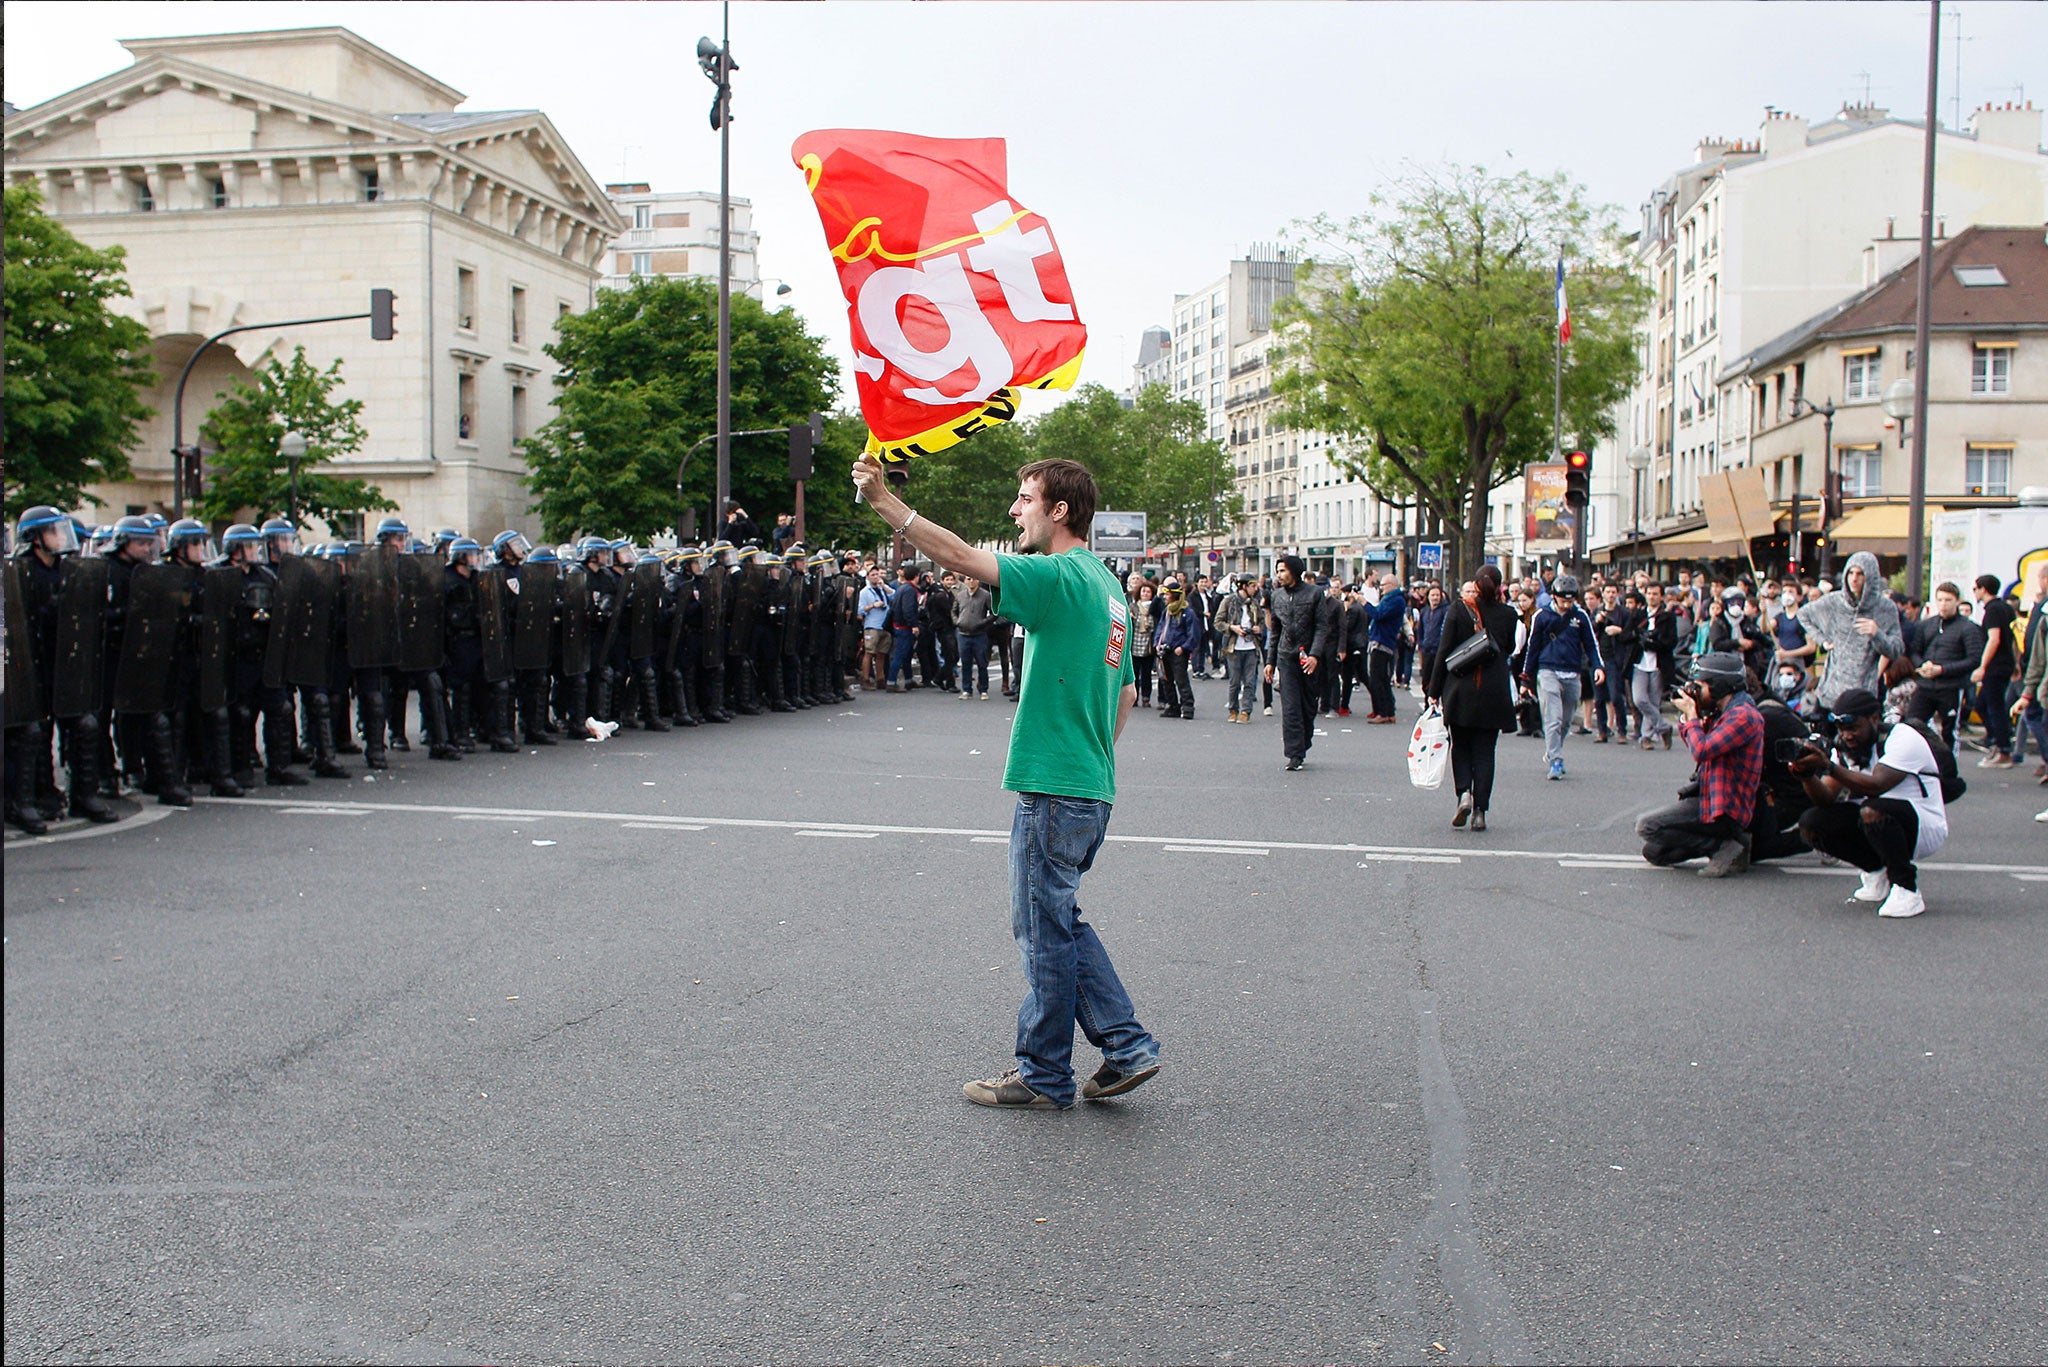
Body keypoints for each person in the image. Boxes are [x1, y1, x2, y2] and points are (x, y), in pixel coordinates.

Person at [850, 451, 1159, 1109]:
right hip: (1090, 783)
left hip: (1054, 785)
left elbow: (963, 558)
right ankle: (1125, 1043)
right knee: (1060, 919)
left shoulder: (1059, 575)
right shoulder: (1107, 585)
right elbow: (1125, 692)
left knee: (1042, 928)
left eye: (1024, 498)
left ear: (1059, 510)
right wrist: (1091, 752)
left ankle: (1046, 1071)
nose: (1014, 510)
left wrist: (885, 503)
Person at [1790, 686, 1949, 919]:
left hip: (1923, 825)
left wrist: (1829, 767)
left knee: (1872, 810)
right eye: (1842, 730)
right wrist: (1806, 775)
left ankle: (1907, 889)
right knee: (1812, 822)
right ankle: (1876, 870)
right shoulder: (1846, 748)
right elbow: (1825, 798)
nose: (1847, 736)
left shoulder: (1902, 737)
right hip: (1878, 822)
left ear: (1874, 719)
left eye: (1853, 728)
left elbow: (1877, 785)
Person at [1632, 653, 1766, 877]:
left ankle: (1723, 847)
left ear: (1720, 685)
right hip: (1708, 797)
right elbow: (1696, 741)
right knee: (1655, 852)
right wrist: (1688, 718)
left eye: (1699, 685)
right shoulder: (1721, 711)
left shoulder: (1743, 716)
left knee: (1647, 826)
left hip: (1725, 806)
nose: (1694, 691)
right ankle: (1726, 843)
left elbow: (1702, 750)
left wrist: (1692, 714)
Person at [1426, 565, 1518, 832]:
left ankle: (1463, 793)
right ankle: (1480, 811)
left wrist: (1433, 690)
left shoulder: (1458, 609)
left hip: (1461, 689)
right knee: (1486, 752)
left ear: (1475, 585)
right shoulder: (1509, 614)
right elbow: (1509, 648)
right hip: (1493, 691)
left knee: (1461, 746)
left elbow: (1444, 650)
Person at [1520, 573, 1604, 779]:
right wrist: (1526, 677)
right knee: (1553, 718)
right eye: (1563, 600)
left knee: (1566, 721)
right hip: (1548, 670)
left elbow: (1591, 645)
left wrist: (1598, 667)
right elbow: (1533, 647)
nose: (1567, 604)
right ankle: (1556, 760)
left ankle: (1552, 749)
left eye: (1570, 600)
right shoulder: (1542, 616)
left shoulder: (1580, 616)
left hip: (1572, 671)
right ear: (1554, 597)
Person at [1795, 550, 1903, 710]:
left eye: (1860, 574)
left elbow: (1896, 650)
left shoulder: (1885, 608)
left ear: (1871, 577)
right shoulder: (1835, 601)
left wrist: (1877, 634)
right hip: (1831, 691)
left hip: (1863, 694)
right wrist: (1822, 641)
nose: (1854, 578)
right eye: (1851, 572)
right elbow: (1803, 614)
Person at [1266, 555, 1332, 771]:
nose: (1279, 575)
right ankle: (1294, 754)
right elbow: (1275, 631)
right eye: (1278, 571)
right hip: (1287, 656)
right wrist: (1270, 661)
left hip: (1309, 658)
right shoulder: (1276, 596)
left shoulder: (1314, 593)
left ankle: (1304, 741)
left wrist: (1314, 655)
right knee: (1291, 707)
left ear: (1294, 571)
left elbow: (1322, 627)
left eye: (1283, 570)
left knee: (1308, 706)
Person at [1904, 583, 1984, 751]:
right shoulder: (1926, 625)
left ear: (1957, 601)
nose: (1943, 604)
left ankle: (1949, 772)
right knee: (1910, 726)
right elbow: (1913, 651)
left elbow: (1973, 659)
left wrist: (1942, 670)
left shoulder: (1968, 628)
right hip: (1925, 685)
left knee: (1949, 731)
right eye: (1939, 600)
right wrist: (1922, 665)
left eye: (1948, 600)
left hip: (1951, 687)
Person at [1970, 573, 2019, 769]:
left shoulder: (1993, 611)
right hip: (2005, 664)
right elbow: (2013, 638)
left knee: (1994, 707)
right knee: (1983, 705)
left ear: (1983, 589)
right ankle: (1997, 741)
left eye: (1975, 589)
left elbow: (1994, 639)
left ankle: (2004, 748)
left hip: (1996, 666)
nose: (1975, 593)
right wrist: (2015, 663)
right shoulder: (2006, 607)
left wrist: (1982, 666)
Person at [1217, 574, 1264, 723]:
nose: (1255, 589)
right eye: (1252, 586)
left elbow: (1263, 622)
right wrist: (1232, 628)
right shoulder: (1229, 601)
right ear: (1243, 586)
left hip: (1251, 647)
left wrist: (1258, 628)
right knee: (1234, 682)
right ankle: (1233, 710)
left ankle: (1246, 711)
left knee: (1250, 682)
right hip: (1234, 647)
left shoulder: (1254, 604)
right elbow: (1218, 622)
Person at [1362, 573, 1407, 723]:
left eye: (1383, 585)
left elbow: (1379, 614)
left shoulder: (1396, 601)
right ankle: (1388, 711)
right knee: (1382, 678)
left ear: (1392, 586)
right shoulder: (1392, 599)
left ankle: (1382, 711)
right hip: (1381, 640)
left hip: (1383, 642)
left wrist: (1364, 603)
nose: (1381, 588)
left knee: (1377, 679)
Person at [1154, 582, 1201, 720]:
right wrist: (1157, 643)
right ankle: (1173, 706)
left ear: (1175, 595)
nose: (1165, 597)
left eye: (1167, 594)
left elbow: (1194, 634)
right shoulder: (1167, 611)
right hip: (1165, 651)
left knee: (1181, 680)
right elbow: (1160, 629)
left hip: (1178, 651)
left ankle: (1187, 707)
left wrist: (1184, 647)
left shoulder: (1187, 612)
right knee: (1166, 679)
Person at [954, 573, 993, 699]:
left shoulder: (986, 595)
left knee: (982, 663)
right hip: (963, 634)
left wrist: (983, 623)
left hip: (979, 634)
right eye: (968, 579)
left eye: (974, 579)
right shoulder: (960, 596)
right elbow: (953, 611)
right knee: (965, 663)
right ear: (965, 581)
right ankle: (966, 690)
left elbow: (994, 614)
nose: (971, 582)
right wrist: (957, 621)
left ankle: (983, 689)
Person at [1127, 580, 1159, 708]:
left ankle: (1146, 697)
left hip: (1148, 645)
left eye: (1148, 592)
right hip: (1135, 644)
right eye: (1143, 591)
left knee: (1146, 674)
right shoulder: (1133, 607)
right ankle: (1133, 698)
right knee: (1134, 673)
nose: (1145, 594)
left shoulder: (1154, 608)